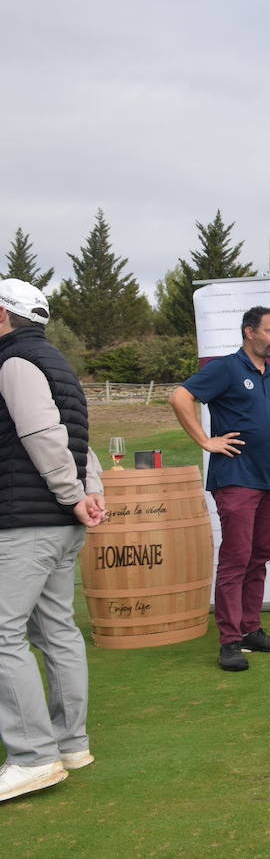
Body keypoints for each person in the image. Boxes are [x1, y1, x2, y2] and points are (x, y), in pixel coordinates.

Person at [0, 279, 105, 803]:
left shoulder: (16, 362)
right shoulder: (55, 361)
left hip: (29, 522)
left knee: (3, 633)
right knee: (55, 630)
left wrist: (73, 494)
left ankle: (32, 756)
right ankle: (70, 744)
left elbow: (44, 436)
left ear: (4, 315)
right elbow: (80, 440)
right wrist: (87, 492)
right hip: (57, 520)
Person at [170, 306, 270, 671]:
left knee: (258, 558)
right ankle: (229, 641)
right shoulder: (225, 367)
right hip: (236, 478)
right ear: (249, 332)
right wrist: (205, 441)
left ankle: (250, 629)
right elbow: (180, 397)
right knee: (236, 560)